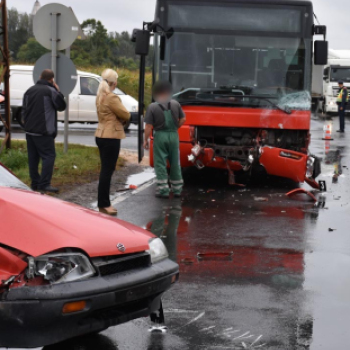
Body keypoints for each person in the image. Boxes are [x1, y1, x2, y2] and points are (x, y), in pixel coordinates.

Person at [22, 69, 66, 193]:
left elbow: (24, 110)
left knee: (33, 158)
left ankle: (34, 183)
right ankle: (44, 184)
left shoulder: (29, 91)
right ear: (52, 79)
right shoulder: (50, 91)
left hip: (30, 131)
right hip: (44, 131)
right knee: (49, 156)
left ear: (40, 77)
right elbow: (61, 106)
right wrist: (58, 91)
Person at [95, 68, 130, 216]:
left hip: (101, 134)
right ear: (114, 83)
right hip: (111, 137)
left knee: (105, 170)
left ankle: (103, 202)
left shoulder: (100, 96)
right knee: (107, 171)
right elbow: (126, 115)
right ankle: (104, 204)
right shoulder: (112, 98)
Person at [144, 81, 186, 198]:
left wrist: (145, 140)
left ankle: (163, 190)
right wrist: (175, 127)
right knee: (175, 163)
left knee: (160, 163)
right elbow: (183, 119)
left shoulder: (152, 107)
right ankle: (177, 190)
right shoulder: (176, 104)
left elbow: (148, 126)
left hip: (160, 136)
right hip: (173, 136)